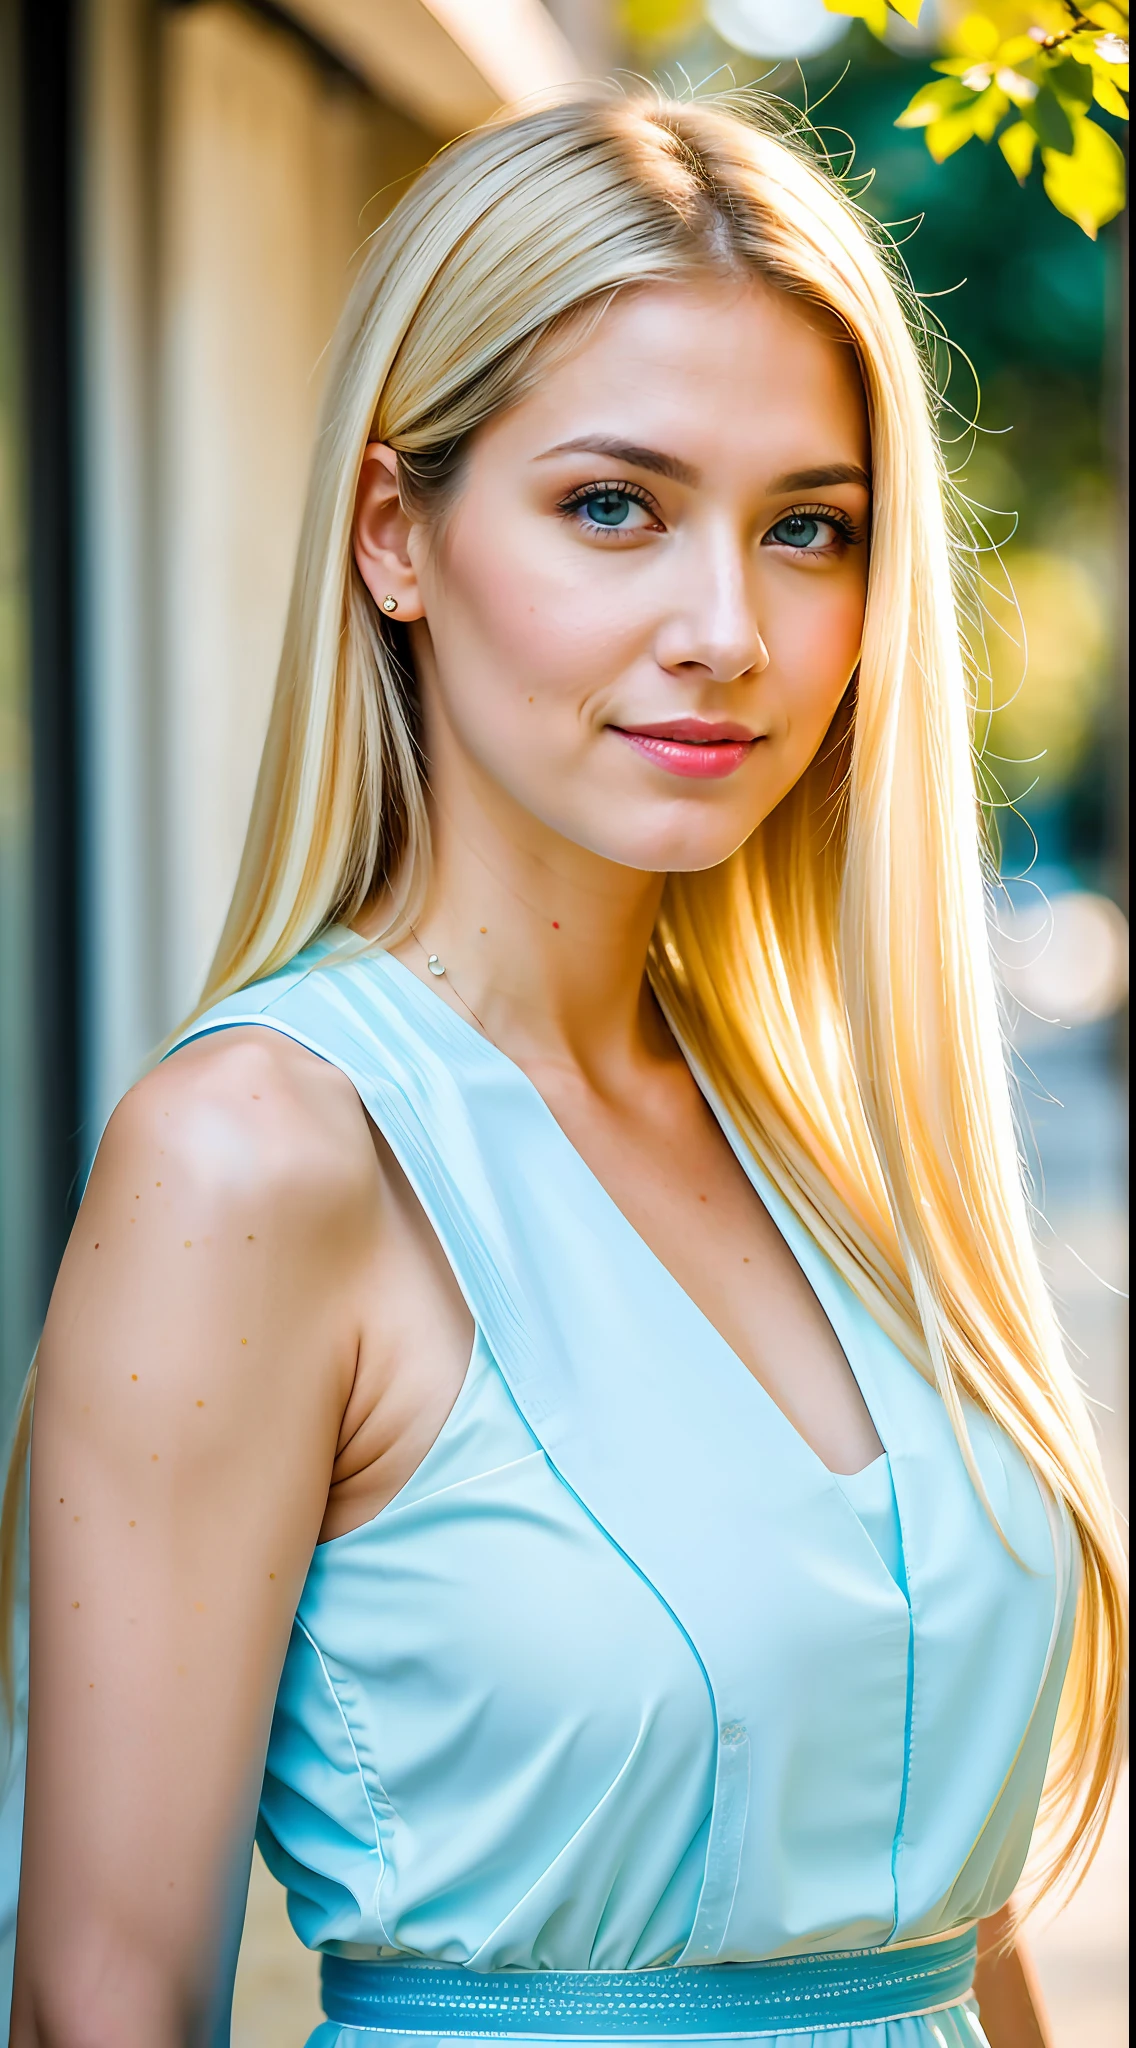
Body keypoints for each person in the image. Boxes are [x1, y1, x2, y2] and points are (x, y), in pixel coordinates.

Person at [2, 92, 1126, 2048]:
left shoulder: (845, 1145)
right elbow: (101, 1996)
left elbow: (954, 1933)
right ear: (394, 538)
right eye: (614, 504)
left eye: (808, 529)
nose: (726, 630)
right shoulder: (257, 1160)